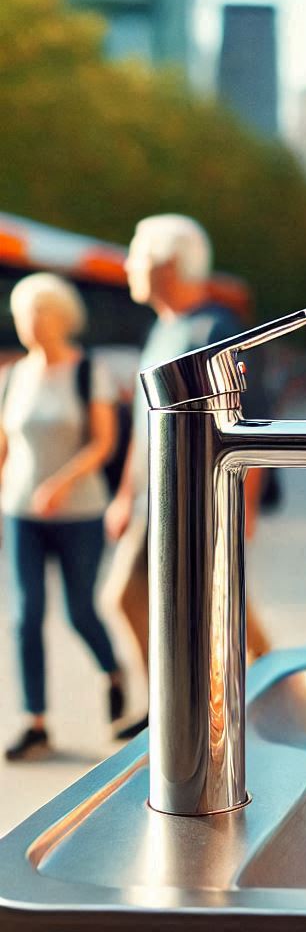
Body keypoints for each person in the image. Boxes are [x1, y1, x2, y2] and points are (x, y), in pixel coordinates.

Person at [103, 214, 271, 739]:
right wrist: (127, 495)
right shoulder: (163, 328)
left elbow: (248, 420)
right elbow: (143, 424)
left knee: (219, 605)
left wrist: (243, 503)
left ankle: (264, 685)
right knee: (134, 595)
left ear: (167, 263)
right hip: (157, 495)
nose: (128, 265)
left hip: (200, 494)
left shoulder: (215, 329)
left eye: (136, 253)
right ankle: (171, 704)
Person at [1, 274, 125, 760]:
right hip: (20, 511)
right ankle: (36, 722)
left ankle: (112, 674)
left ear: (59, 317)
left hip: (79, 511)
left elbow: (103, 442)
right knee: (25, 615)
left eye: (37, 314)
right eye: (22, 315)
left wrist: (62, 482)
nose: (28, 324)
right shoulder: (13, 375)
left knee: (80, 611)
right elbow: (7, 444)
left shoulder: (86, 371)